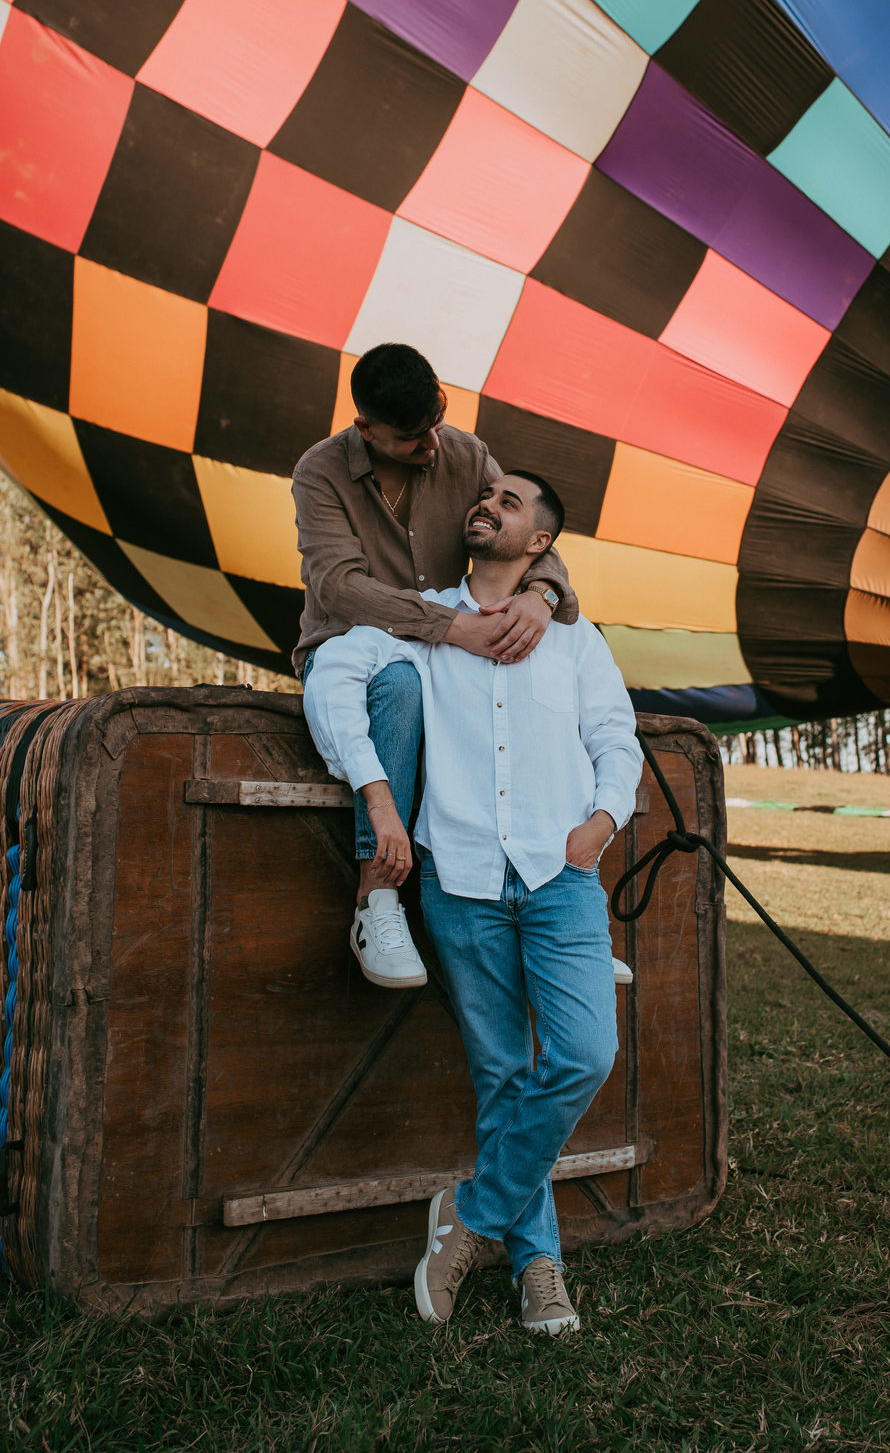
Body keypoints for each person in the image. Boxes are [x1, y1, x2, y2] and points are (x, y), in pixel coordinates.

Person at [303, 471, 643, 1335]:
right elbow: (334, 676)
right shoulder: (422, 624)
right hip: (459, 881)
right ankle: (540, 1270)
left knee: (584, 1055)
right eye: (484, 490)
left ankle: (472, 1214)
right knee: (502, 1076)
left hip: (560, 875)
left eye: (513, 499)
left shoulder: (574, 640)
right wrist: (377, 793)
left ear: (540, 545)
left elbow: (616, 739)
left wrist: (600, 824)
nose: (487, 499)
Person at [292, 343, 576, 987]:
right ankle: (377, 899)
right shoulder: (320, 472)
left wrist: (543, 593)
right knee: (399, 686)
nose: (432, 444)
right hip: (356, 652)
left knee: (536, 693)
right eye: (413, 438)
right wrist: (453, 626)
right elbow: (338, 587)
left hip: (455, 651)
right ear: (366, 429)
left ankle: (565, 913)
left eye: (437, 422)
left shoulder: (465, 452)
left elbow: (529, 525)